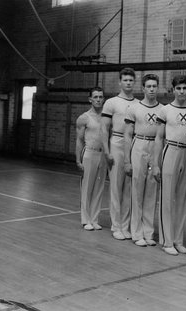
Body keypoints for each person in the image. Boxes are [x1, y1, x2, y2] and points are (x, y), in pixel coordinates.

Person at [153, 74, 186, 256]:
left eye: (184, 88)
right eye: (178, 88)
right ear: (173, 90)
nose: (181, 91)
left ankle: (178, 239)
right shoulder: (165, 110)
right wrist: (155, 164)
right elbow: (158, 138)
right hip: (170, 151)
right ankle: (167, 241)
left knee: (182, 198)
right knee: (167, 198)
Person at [101, 68, 139, 240]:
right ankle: (116, 226)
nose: (128, 83)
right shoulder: (111, 102)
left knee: (129, 188)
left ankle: (125, 225)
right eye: (125, 80)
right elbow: (104, 128)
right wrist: (107, 152)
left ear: (134, 82)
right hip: (116, 142)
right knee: (116, 187)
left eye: (131, 80)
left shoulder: (139, 104)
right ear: (120, 82)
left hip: (133, 144)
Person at [124, 74, 162, 247]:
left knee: (151, 191)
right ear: (143, 88)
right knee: (137, 189)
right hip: (138, 144)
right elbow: (127, 134)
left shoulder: (163, 109)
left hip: (156, 146)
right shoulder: (134, 108)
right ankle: (136, 232)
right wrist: (126, 160)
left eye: (154, 86)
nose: (152, 89)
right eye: (149, 86)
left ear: (158, 87)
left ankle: (148, 233)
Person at [76, 87, 107, 231]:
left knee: (99, 188)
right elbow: (79, 140)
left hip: (103, 155)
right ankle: (85, 219)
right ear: (90, 99)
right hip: (89, 153)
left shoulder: (107, 117)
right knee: (87, 187)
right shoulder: (84, 118)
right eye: (96, 97)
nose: (99, 99)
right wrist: (78, 160)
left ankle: (94, 219)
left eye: (101, 97)